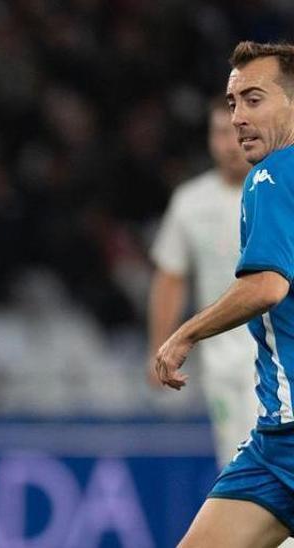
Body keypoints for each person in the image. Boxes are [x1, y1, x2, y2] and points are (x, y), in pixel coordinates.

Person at [156, 41, 294, 548]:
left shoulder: (272, 176)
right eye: (233, 103)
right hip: (274, 441)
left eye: (254, 100)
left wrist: (182, 335)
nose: (238, 117)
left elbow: (266, 285)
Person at [147, 98, 258, 469]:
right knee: (237, 466)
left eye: (236, 131)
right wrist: (159, 348)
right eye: (220, 133)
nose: (229, 143)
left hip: (280, 354)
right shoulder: (191, 203)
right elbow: (170, 279)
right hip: (223, 361)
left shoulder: (280, 190)